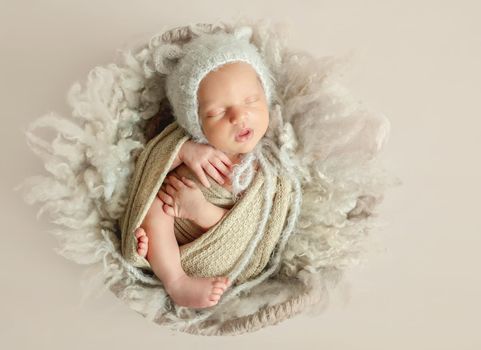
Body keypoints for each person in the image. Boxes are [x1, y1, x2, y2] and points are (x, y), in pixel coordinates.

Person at [129, 30, 274, 309]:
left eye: (251, 101)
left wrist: (200, 211)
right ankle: (175, 280)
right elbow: (145, 170)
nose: (238, 116)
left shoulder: (267, 169)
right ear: (195, 122)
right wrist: (182, 151)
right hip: (169, 227)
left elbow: (255, 229)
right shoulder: (185, 142)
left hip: (220, 246)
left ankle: (160, 260)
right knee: (151, 205)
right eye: (217, 112)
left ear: (266, 97)